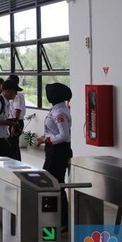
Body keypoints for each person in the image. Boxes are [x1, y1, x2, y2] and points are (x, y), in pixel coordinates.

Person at [34, 83, 73, 230]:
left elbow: (64, 135)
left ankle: (60, 221)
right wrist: (45, 137)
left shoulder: (60, 112)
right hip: (53, 150)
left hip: (58, 152)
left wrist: (45, 140)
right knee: (52, 184)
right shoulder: (56, 109)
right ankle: (54, 218)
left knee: (54, 185)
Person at [6, 74, 27, 160]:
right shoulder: (16, 94)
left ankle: (16, 164)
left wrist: (14, 125)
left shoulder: (17, 94)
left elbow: (17, 111)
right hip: (13, 121)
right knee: (13, 146)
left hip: (15, 121)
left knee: (13, 146)